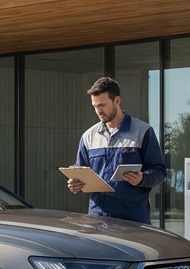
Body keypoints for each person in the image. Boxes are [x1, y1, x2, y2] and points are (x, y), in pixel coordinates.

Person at [67, 77, 167, 223]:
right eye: (95, 106)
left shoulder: (143, 131)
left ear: (117, 101)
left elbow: (160, 172)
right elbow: (80, 171)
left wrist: (142, 178)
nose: (98, 111)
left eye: (102, 105)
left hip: (133, 219)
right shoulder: (88, 137)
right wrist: (75, 183)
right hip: (98, 218)